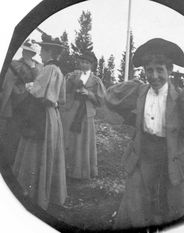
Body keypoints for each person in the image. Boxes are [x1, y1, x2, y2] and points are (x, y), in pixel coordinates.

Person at [105, 38, 184, 229]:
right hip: (143, 156)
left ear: (170, 71)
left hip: (173, 157)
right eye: (149, 70)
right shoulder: (138, 92)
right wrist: (130, 118)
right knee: (136, 205)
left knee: (171, 208)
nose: (154, 76)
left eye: (160, 70)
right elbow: (110, 97)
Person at [12, 33, 67, 210]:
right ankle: (44, 191)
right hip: (52, 115)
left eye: (43, 49)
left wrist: (29, 87)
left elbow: (40, 94)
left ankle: (34, 192)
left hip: (42, 113)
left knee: (35, 149)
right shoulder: (58, 70)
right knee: (46, 152)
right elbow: (61, 97)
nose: (40, 53)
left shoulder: (50, 69)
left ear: (50, 51)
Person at [60, 51, 106, 180]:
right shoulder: (72, 75)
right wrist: (71, 83)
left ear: (92, 65)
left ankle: (82, 171)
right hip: (72, 110)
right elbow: (65, 90)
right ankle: (67, 169)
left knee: (83, 140)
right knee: (70, 138)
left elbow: (101, 100)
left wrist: (89, 94)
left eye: (86, 62)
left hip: (86, 112)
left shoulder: (96, 81)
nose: (83, 64)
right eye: (82, 62)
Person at [0, 39, 42, 165]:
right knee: (10, 131)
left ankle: (18, 161)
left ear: (34, 54)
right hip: (13, 102)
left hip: (29, 102)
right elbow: (6, 81)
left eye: (29, 52)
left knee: (23, 132)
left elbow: (40, 81)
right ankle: (6, 160)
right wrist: (15, 90)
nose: (26, 53)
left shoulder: (38, 66)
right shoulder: (13, 63)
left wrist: (32, 66)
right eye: (24, 50)